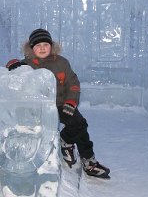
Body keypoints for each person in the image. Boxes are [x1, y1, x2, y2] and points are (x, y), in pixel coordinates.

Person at [6, 28, 110, 179]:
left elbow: (73, 84)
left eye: (45, 44)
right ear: (31, 48)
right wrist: (11, 65)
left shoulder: (62, 63)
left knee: (80, 124)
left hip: (62, 104)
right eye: (38, 45)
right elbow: (10, 75)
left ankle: (87, 160)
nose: (42, 48)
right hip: (39, 108)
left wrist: (71, 101)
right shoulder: (26, 65)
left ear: (51, 46)